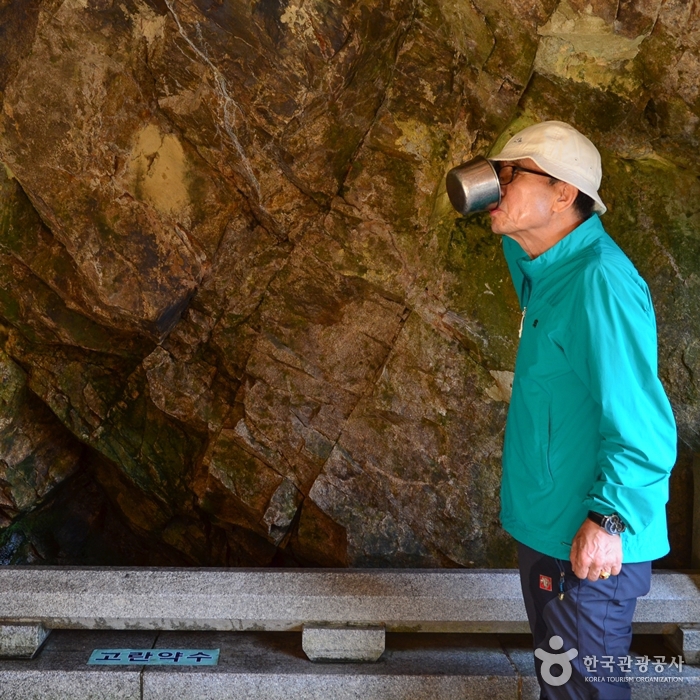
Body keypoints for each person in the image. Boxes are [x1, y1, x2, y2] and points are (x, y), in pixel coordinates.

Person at [487, 121, 677, 699]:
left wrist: (609, 519)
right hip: (552, 532)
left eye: (511, 173)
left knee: (580, 693)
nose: (496, 185)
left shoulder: (599, 280)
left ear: (564, 193)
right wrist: (508, 204)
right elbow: (526, 246)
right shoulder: (548, 267)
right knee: (560, 688)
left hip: (590, 547)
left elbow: (645, 427)